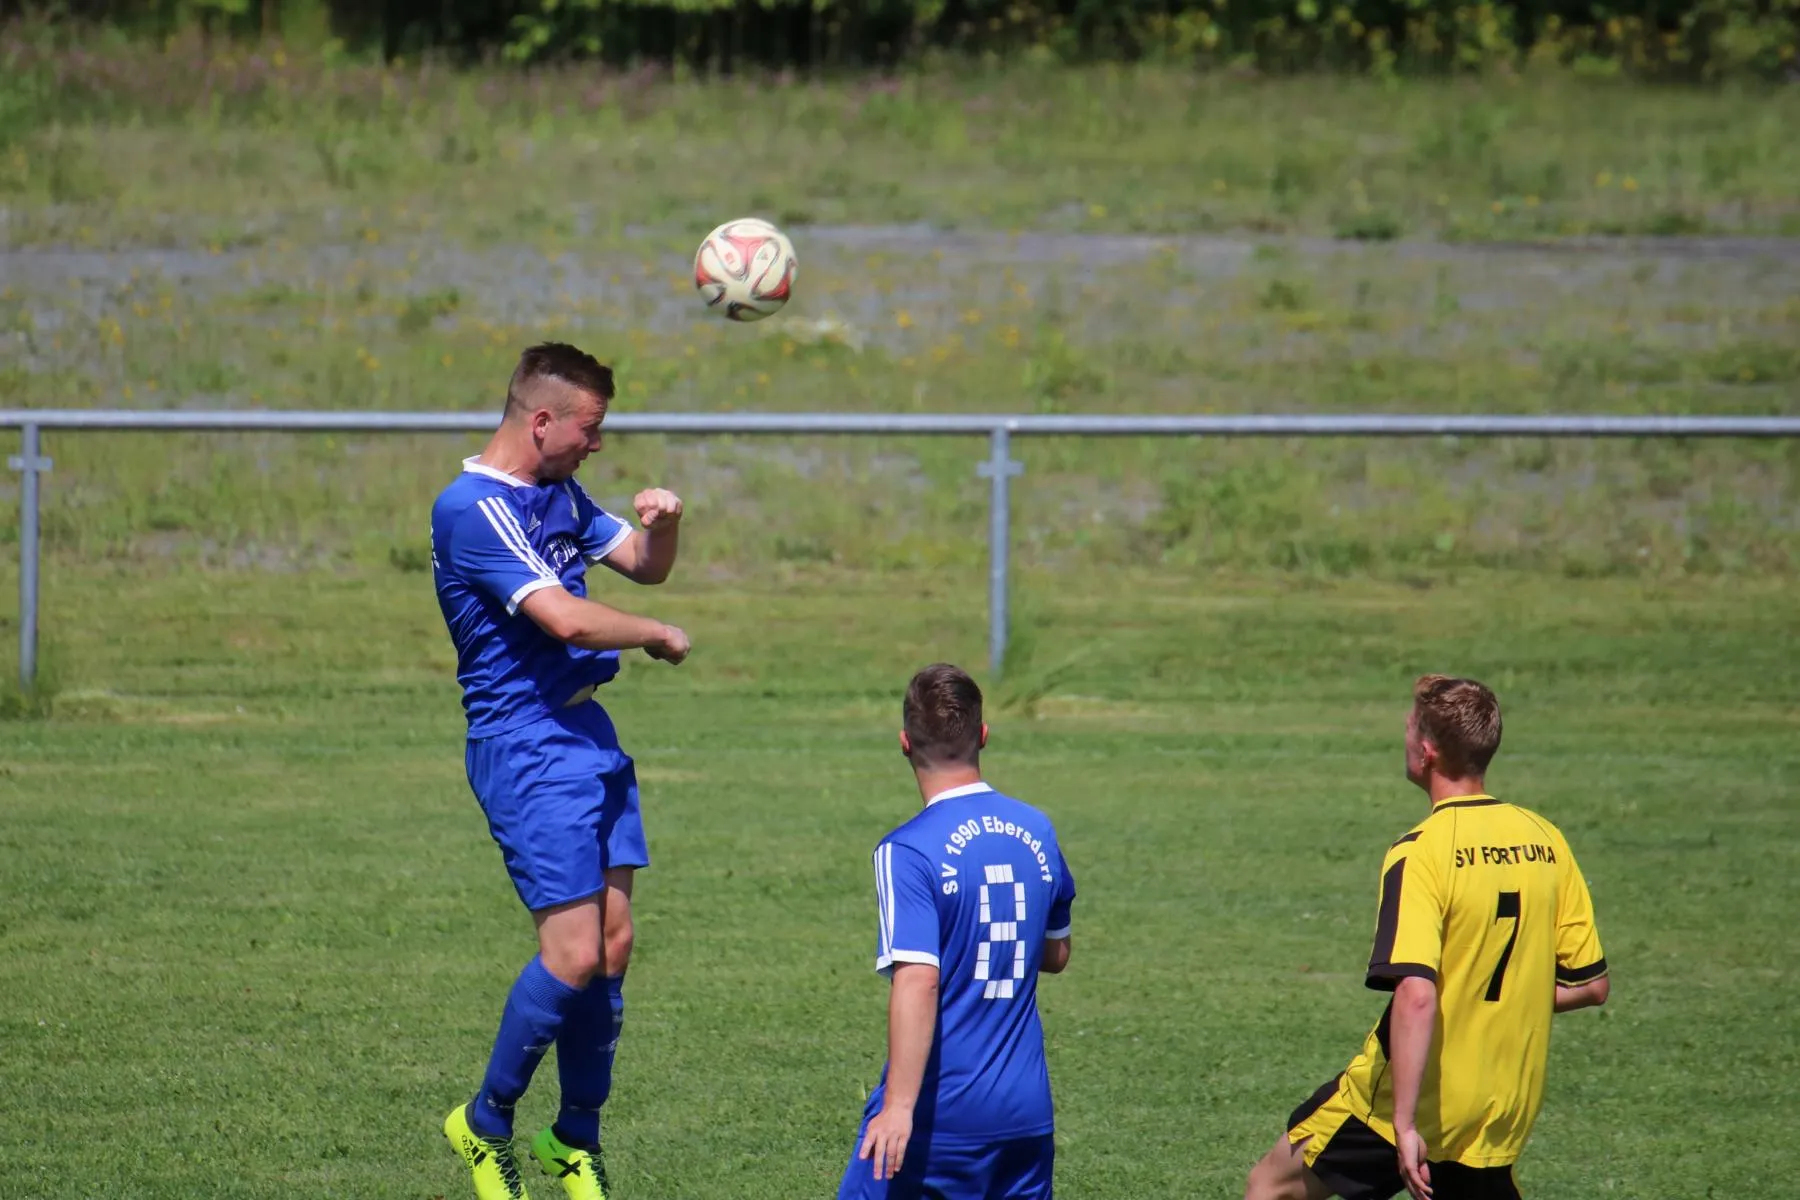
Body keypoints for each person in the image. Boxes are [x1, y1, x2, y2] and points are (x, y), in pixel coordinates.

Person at [429, 342, 691, 1200]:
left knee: (611, 947)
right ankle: (484, 1122)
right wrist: (655, 633)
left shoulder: (559, 492)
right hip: (526, 745)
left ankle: (574, 1138)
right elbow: (567, 620)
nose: (598, 444)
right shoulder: (472, 510)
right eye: (590, 428)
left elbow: (643, 564)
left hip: (586, 735)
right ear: (542, 421)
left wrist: (663, 525)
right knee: (571, 953)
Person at [1244, 675, 1611, 1200]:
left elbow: (1416, 994)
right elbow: (1591, 986)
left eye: (1408, 728)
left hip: (1415, 1099)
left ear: (1426, 751)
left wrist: (1404, 1123)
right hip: (1503, 1102)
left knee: (1270, 1187)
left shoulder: (1421, 851)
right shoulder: (1546, 839)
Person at [839, 663, 1078, 1200]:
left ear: (904, 743)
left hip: (943, 1112)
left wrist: (898, 1107)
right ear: (983, 735)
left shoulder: (906, 850)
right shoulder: (1037, 828)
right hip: (1026, 1113)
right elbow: (1056, 954)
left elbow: (918, 979)